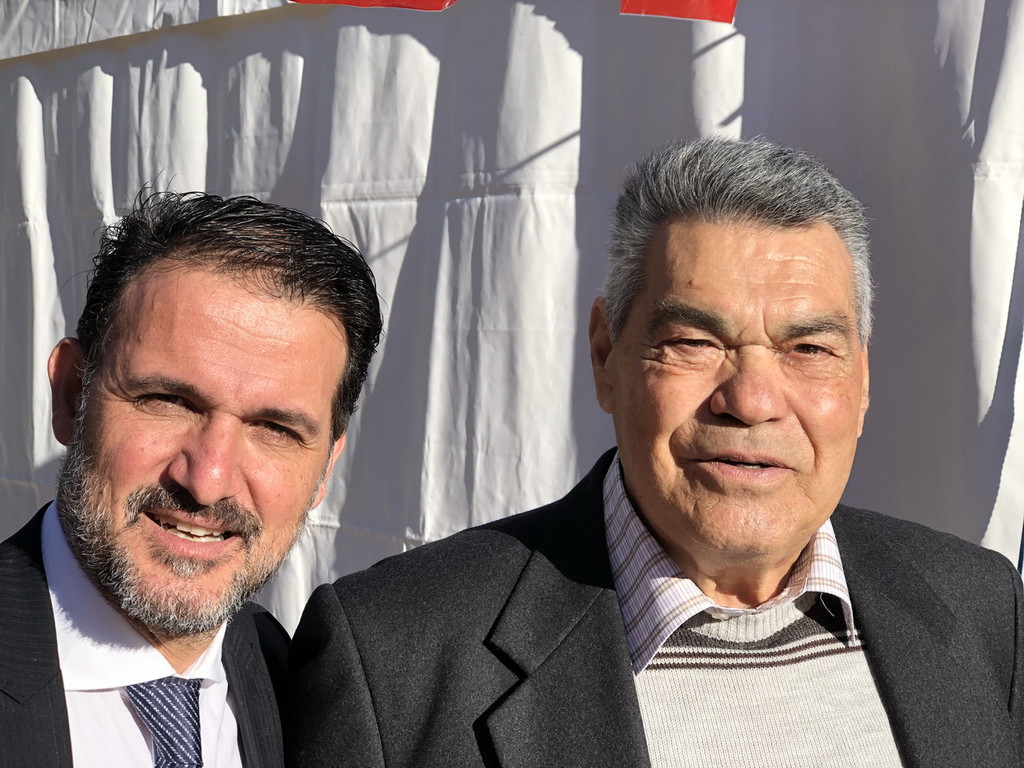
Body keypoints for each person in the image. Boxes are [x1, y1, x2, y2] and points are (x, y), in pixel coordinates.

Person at [283, 137, 1023, 767]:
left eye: (807, 348)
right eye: (695, 342)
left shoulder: (979, 607)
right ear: (606, 355)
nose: (751, 400)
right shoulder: (395, 655)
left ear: (862, 380)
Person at [0, 192, 382, 767]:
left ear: (326, 466)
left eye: (274, 429)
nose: (208, 480)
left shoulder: (295, 679)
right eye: (169, 400)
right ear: (72, 395)